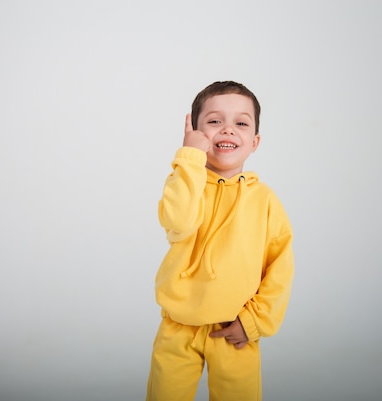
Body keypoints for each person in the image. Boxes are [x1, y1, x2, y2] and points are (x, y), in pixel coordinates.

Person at [146, 81, 294, 401]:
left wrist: (253, 322)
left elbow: (279, 268)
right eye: (214, 122)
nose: (227, 130)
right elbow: (178, 222)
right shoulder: (185, 181)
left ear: (254, 142)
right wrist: (189, 158)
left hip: (234, 331)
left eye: (241, 123)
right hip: (178, 326)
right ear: (195, 134)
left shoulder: (265, 200)